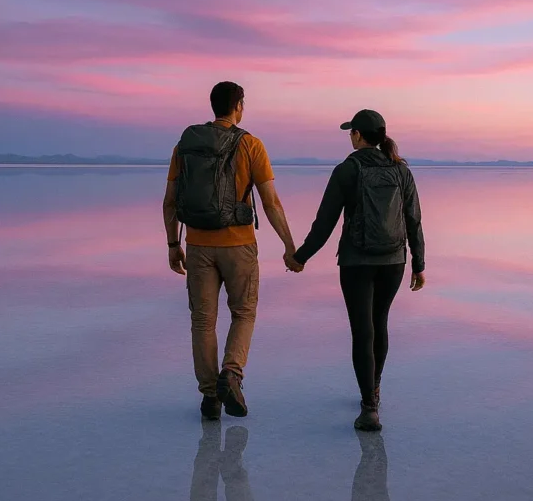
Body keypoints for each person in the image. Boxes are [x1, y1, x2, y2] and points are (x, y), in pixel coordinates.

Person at [164, 81, 297, 420]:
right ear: (239, 106)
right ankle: (232, 374)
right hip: (238, 246)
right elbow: (271, 202)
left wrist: (172, 245)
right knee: (243, 312)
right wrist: (289, 245)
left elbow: (169, 202)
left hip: (197, 245)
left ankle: (210, 397)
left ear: (213, 106)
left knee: (202, 321)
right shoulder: (251, 144)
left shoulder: (185, 146)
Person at [287, 110, 426, 431]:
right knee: (380, 323)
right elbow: (414, 220)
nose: (350, 137)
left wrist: (300, 257)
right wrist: (418, 265)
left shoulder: (347, 170)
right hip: (394, 262)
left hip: (356, 262)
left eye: (352, 132)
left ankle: (369, 406)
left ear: (360, 136)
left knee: (363, 331)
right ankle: (373, 391)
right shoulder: (401, 171)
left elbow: (325, 222)